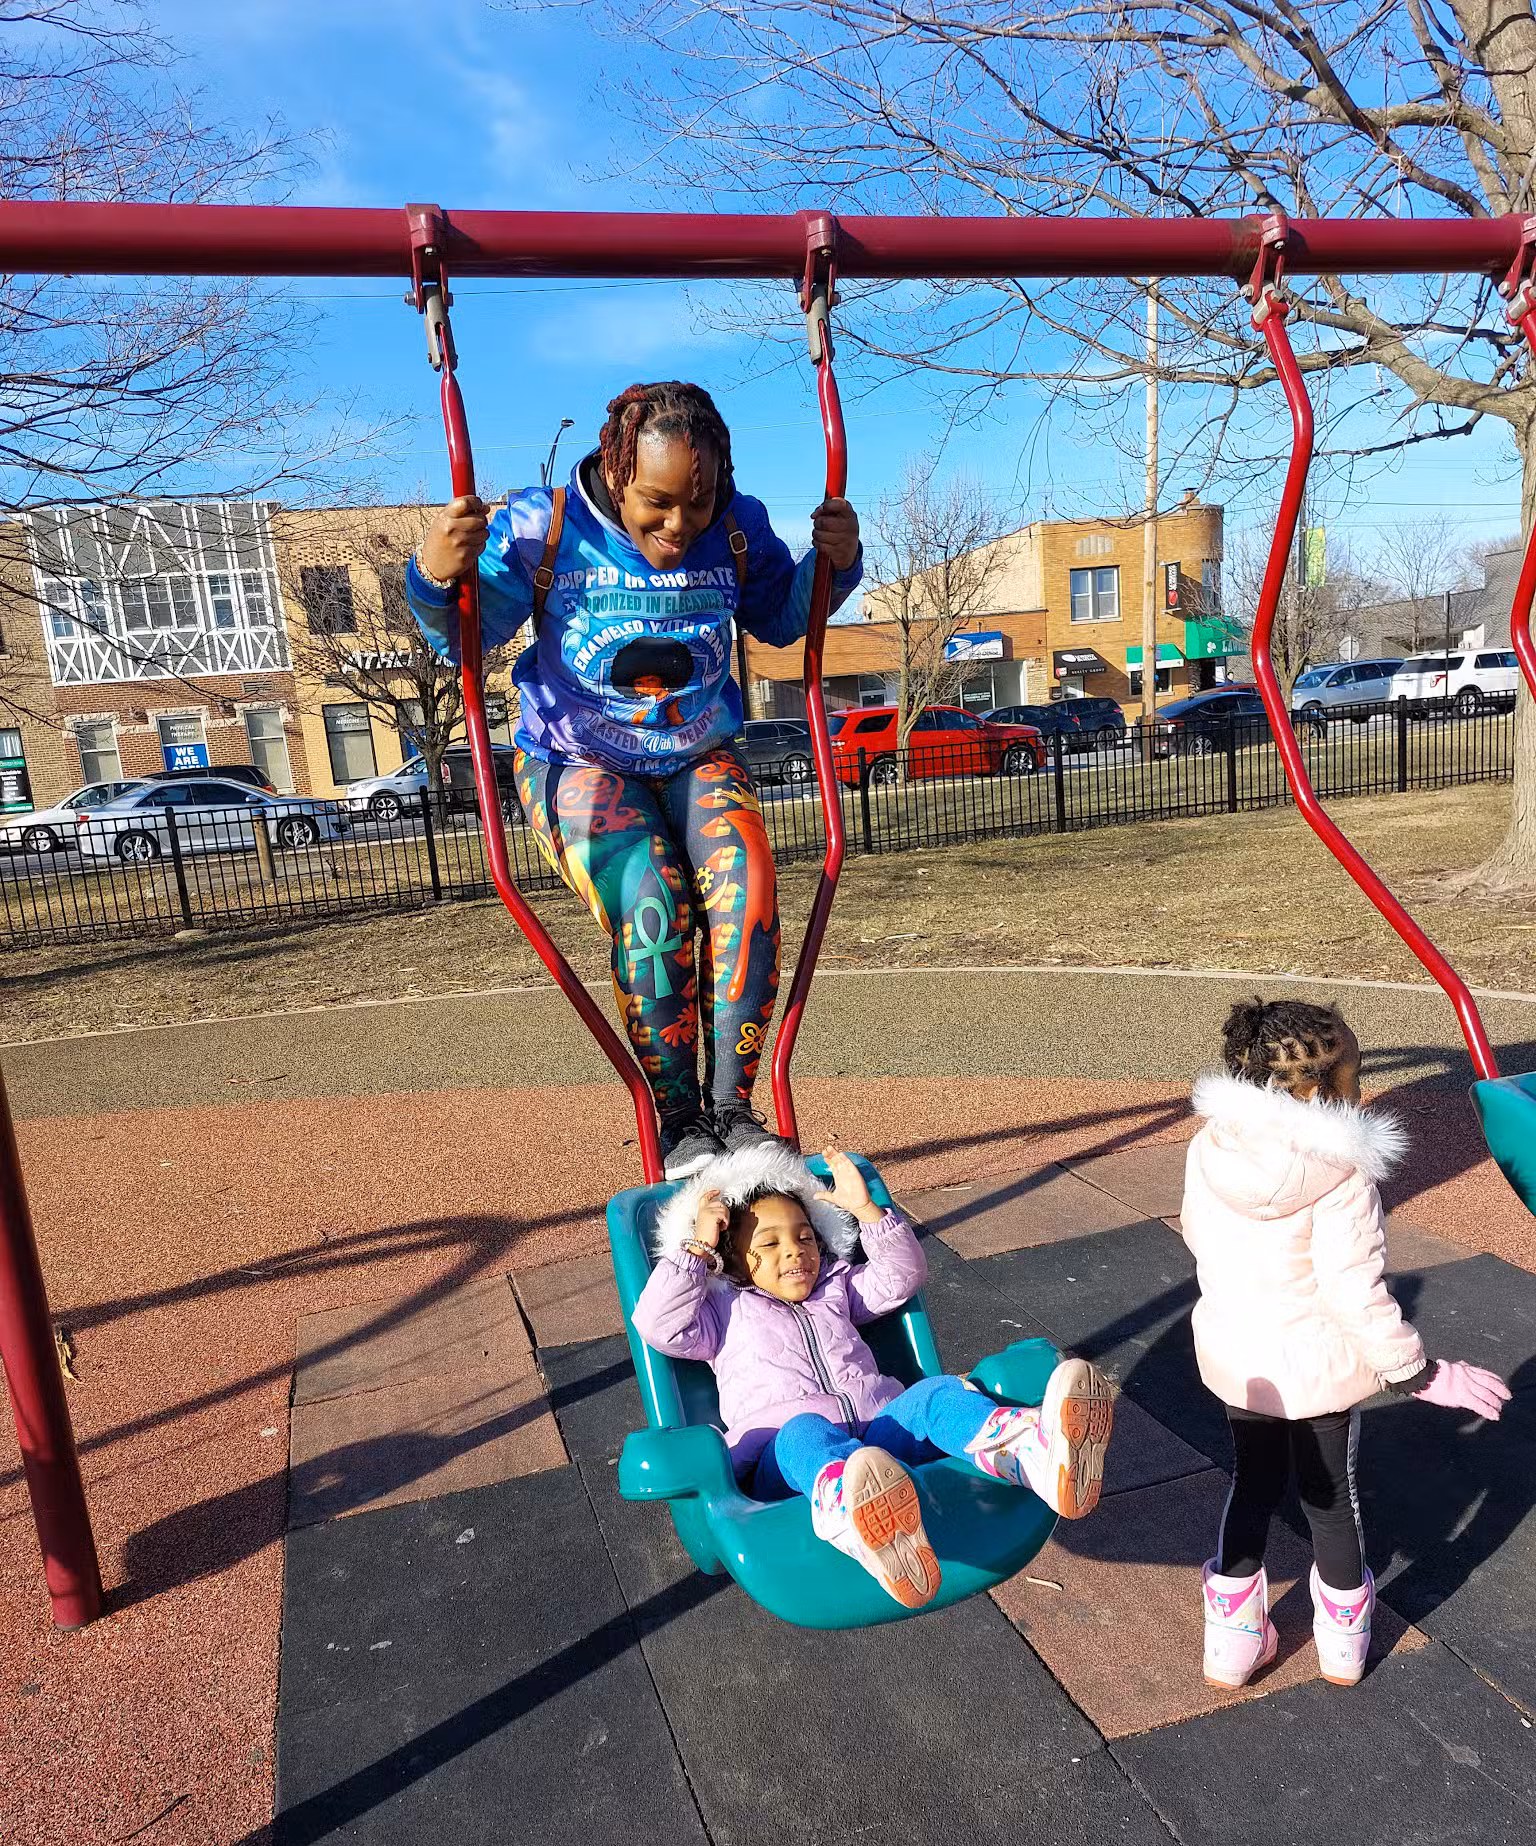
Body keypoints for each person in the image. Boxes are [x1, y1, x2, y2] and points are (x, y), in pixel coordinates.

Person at [405, 380, 863, 1180]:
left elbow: (784, 620)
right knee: (650, 896)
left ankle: (733, 1109)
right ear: (616, 473)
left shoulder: (738, 527)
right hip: (576, 758)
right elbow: (469, 642)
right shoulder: (543, 529)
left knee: (748, 890)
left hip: (697, 750)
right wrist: (435, 578)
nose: (680, 526)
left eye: (699, 500)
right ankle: (680, 1118)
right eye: (657, 503)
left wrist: (838, 562)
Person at [1181, 996, 1511, 1690]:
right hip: (1316, 1366)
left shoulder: (1213, 1144)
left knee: (1253, 1482)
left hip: (1240, 1359)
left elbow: (1198, 1235)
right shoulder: (1342, 1173)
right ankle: (1341, 1647)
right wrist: (1417, 1373)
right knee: (1331, 1500)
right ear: (1327, 1087)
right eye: (1356, 1073)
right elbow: (1353, 1290)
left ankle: (1233, 1646)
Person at [632, 1143, 1116, 1611]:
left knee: (934, 1394)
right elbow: (658, 1325)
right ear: (732, 1260)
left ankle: (1026, 1452)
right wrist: (696, 1248)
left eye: (804, 1237)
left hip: (880, 1443)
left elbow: (901, 1277)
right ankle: (847, 1511)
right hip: (789, 1466)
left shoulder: (836, 1288)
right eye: (770, 1243)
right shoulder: (721, 1311)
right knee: (803, 1431)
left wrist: (867, 1212)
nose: (796, 1252)